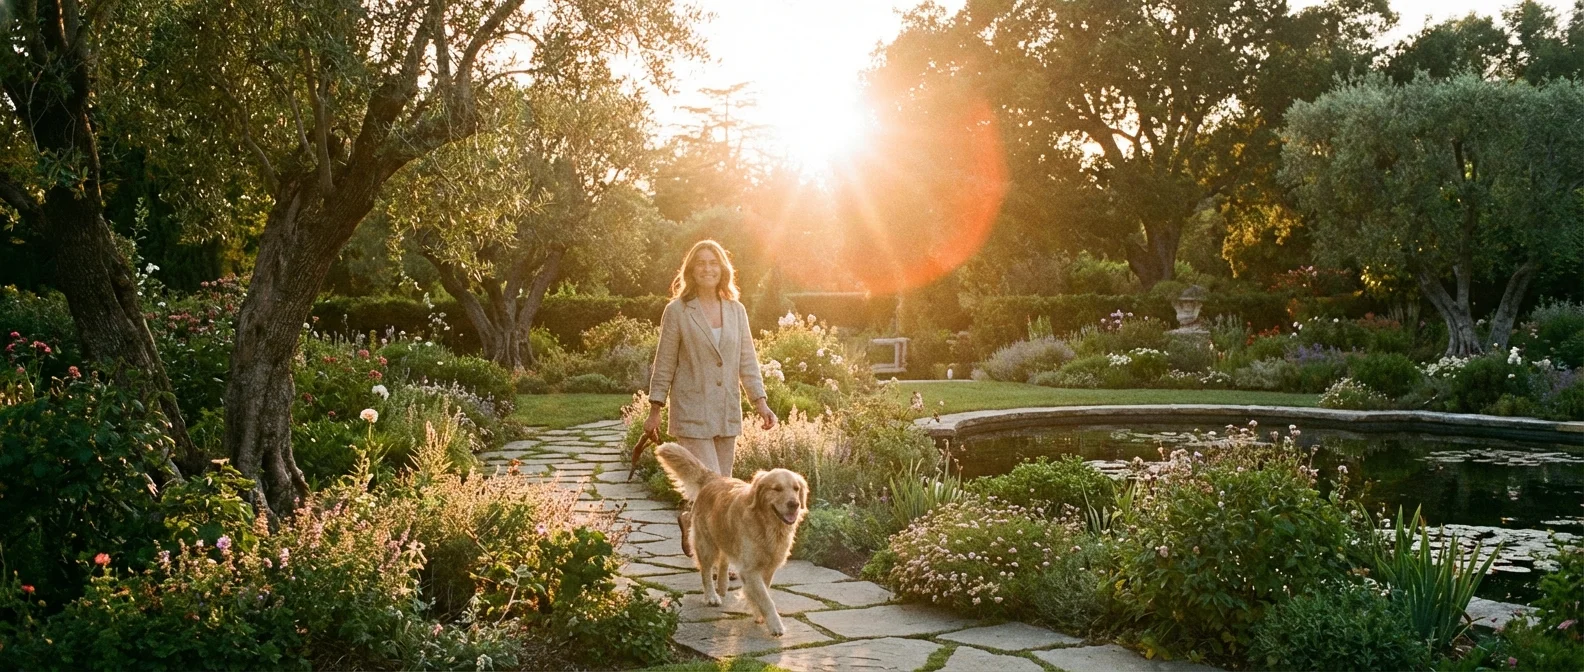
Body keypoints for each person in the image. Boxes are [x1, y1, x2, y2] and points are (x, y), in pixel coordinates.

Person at [645, 240, 777, 557]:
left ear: (723, 269)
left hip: (726, 410)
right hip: (692, 409)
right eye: (701, 263)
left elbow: (748, 360)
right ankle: (724, 562)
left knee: (717, 489)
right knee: (718, 490)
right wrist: (655, 409)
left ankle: (691, 519)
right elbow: (665, 362)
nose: (707, 268)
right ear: (691, 269)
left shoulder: (736, 310)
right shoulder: (677, 311)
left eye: (713, 262)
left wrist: (760, 402)